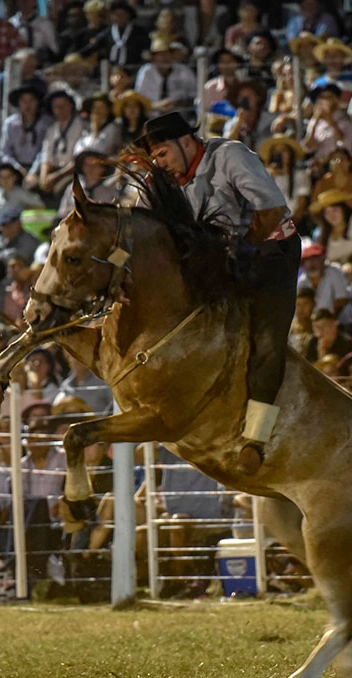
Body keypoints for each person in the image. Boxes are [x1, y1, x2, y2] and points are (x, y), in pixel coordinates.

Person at [139, 111, 300, 475]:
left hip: (270, 249)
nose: (160, 163)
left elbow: (272, 210)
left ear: (186, 141)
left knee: (267, 341)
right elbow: (142, 228)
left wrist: (243, 248)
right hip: (215, 259)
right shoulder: (159, 181)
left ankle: (256, 439)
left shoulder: (231, 155)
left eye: (163, 153)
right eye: (155, 158)